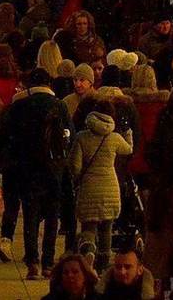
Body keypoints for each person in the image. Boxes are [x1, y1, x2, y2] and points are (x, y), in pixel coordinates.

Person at [0, 67, 71, 279]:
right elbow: (70, 136)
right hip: (54, 168)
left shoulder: (19, 106)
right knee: (52, 216)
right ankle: (49, 262)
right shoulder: (59, 106)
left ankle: (32, 260)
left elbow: (6, 137)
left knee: (30, 215)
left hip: (27, 168)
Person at [68, 105, 129, 272]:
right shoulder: (115, 137)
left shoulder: (82, 137)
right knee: (107, 229)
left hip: (89, 187)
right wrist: (129, 134)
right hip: (110, 187)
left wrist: (76, 177)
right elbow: (128, 149)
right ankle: (103, 263)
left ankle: (88, 250)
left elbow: (75, 166)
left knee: (89, 226)